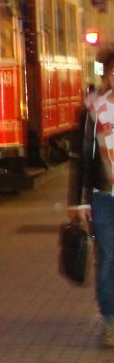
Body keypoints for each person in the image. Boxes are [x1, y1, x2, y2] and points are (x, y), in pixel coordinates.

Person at [68, 44, 114, 347]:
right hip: (104, 197)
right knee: (109, 258)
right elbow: (83, 158)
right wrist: (81, 200)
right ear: (108, 76)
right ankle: (110, 320)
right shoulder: (94, 110)